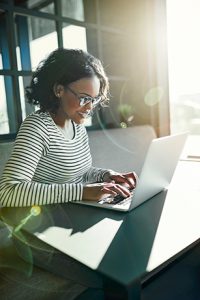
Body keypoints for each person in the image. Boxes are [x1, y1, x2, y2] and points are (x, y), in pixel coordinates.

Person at [0, 48, 137, 299]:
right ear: (59, 89)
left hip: (71, 214)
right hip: (35, 229)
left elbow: (81, 173)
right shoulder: (36, 127)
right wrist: (84, 191)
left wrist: (107, 176)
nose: (89, 108)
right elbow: (7, 190)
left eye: (94, 100)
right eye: (84, 97)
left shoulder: (76, 125)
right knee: (108, 275)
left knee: (124, 255)